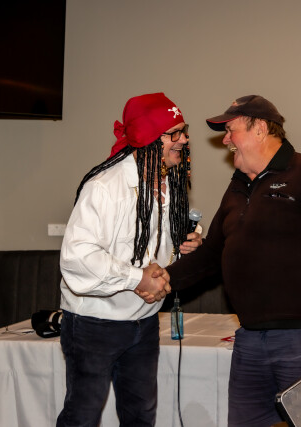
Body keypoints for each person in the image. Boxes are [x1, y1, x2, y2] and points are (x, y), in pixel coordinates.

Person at [166, 95, 301, 426]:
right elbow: (212, 253)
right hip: (250, 340)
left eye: (231, 131)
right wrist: (164, 279)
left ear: (260, 129)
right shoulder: (237, 188)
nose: (226, 140)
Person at [57, 92, 202, 427]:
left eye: (184, 131)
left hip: (144, 321)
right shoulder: (104, 187)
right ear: (149, 139)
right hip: (95, 324)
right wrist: (137, 278)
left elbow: (157, 245)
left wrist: (187, 244)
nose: (184, 140)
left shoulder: (169, 182)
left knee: (140, 416)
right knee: (82, 417)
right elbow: (78, 256)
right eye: (175, 133)